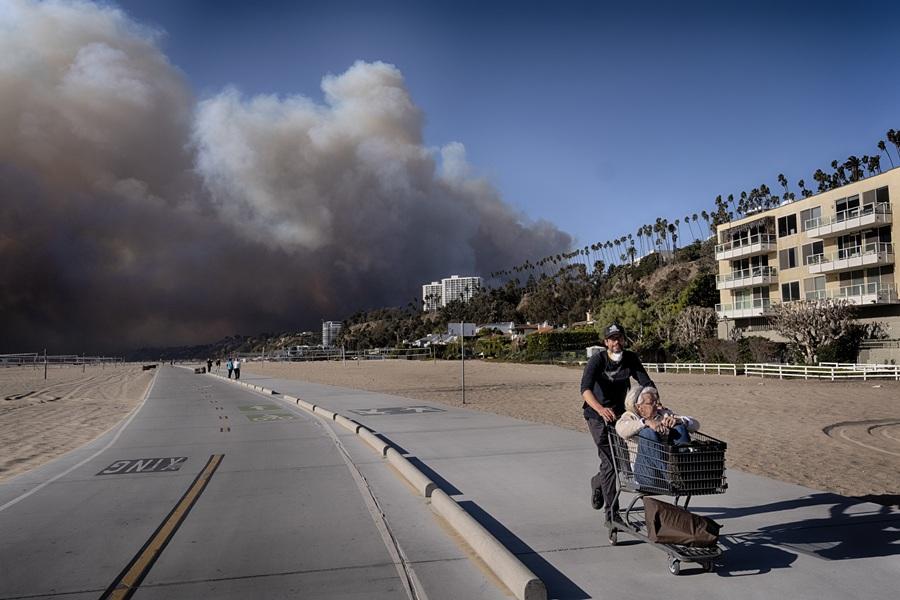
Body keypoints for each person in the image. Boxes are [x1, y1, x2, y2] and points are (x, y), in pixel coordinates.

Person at [580, 323, 654, 522]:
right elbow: (585, 389)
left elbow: (646, 383)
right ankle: (612, 516)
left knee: (621, 462)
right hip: (596, 416)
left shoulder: (630, 358)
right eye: (612, 339)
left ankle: (597, 482)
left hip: (621, 417)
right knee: (610, 462)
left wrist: (653, 401)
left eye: (619, 338)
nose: (616, 342)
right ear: (606, 342)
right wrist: (600, 409)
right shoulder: (598, 360)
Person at [615, 384, 699, 492]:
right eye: (651, 403)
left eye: (656, 402)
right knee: (648, 433)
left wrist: (680, 421)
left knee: (680, 428)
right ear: (638, 406)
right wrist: (645, 422)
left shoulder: (662, 414)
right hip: (645, 473)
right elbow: (621, 429)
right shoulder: (630, 417)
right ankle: (671, 476)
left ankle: (683, 472)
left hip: (670, 470)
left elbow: (696, 424)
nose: (656, 405)